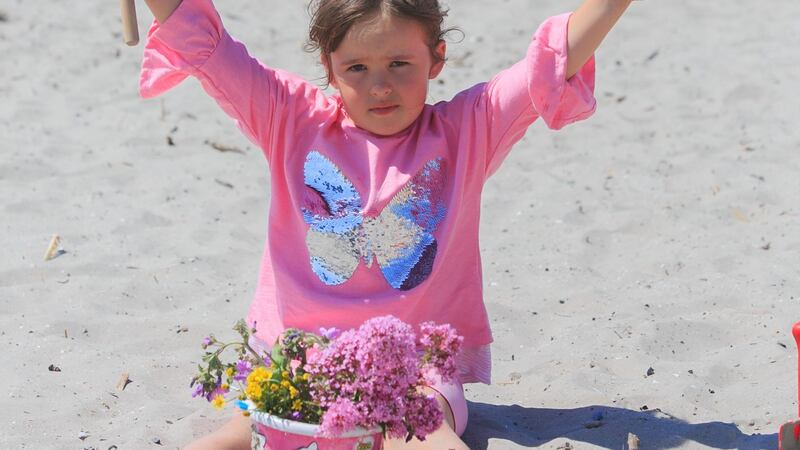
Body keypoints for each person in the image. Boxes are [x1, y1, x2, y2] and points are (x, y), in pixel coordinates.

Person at [138, 0, 635, 448]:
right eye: (357, 67)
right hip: (301, 362)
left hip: (414, 374)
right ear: (330, 69)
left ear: (436, 59)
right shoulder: (289, 118)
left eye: (400, 63)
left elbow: (552, 61)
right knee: (240, 435)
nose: (380, 85)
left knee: (418, 430)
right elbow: (205, 40)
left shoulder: (469, 129)